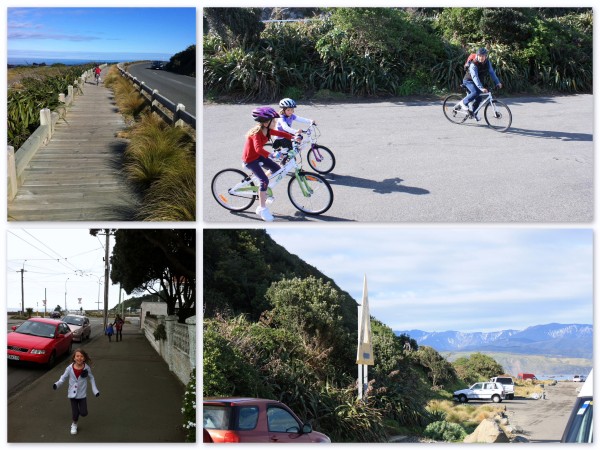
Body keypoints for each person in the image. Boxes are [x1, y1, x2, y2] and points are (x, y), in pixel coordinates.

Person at [243, 106, 301, 222]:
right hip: (250, 160)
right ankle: (261, 209)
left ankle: (261, 185)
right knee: (264, 181)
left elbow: (281, 133)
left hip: (258, 156)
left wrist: (294, 137)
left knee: (277, 168)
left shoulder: (268, 130)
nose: (275, 122)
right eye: (273, 121)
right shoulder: (256, 134)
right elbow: (258, 149)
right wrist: (272, 155)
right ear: (265, 123)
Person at [53, 348, 100, 435]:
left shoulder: (87, 368)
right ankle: (74, 424)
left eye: (81, 356)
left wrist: (95, 390)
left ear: (84, 358)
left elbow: (91, 378)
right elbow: (63, 378)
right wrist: (57, 384)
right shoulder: (69, 368)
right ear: (74, 358)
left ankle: (77, 414)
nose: (79, 358)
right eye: (77, 356)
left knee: (84, 413)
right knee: (75, 413)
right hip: (72, 395)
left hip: (82, 395)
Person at [458, 47, 503, 121]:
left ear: (486, 56)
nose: (481, 58)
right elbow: (475, 77)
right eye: (480, 56)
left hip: (478, 81)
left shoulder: (487, 63)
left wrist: (497, 82)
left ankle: (474, 113)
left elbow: (492, 73)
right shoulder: (473, 64)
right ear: (477, 55)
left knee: (479, 98)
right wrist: (481, 87)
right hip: (468, 81)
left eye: (483, 56)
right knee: (476, 92)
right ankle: (463, 103)